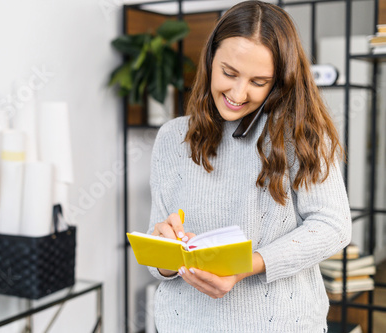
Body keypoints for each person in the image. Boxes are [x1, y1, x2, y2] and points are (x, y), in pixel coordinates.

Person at [146, 1, 352, 332]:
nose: (238, 93)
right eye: (229, 73)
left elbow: (333, 225)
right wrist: (167, 256)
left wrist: (250, 265)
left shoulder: (301, 135)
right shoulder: (172, 138)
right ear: (211, 59)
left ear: (280, 80)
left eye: (258, 81)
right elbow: (160, 258)